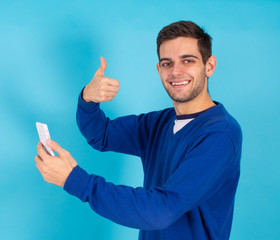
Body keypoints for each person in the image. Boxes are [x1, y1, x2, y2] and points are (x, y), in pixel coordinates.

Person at [35, 21, 242, 240]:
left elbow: (162, 210)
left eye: (188, 61)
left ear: (209, 66)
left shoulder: (220, 135)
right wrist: (88, 98)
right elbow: (101, 135)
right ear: (158, 69)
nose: (176, 72)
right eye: (166, 63)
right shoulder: (158, 123)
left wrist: (74, 179)